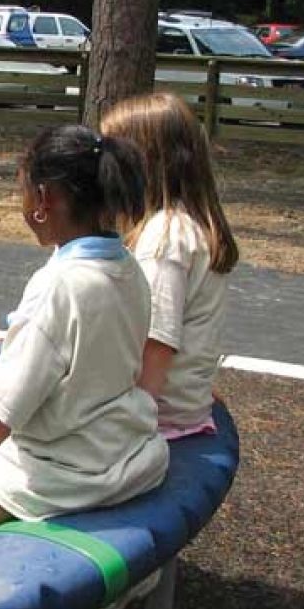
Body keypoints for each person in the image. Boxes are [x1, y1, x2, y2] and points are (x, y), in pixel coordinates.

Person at [0, 125, 169, 566]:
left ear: (43, 200)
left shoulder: (59, 285)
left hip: (66, 471)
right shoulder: (128, 268)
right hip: (127, 451)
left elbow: (12, 409)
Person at [100, 92, 239, 439]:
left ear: (144, 162)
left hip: (158, 415)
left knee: (25, 402)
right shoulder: (182, 225)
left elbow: (156, 342)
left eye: (110, 155)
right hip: (177, 403)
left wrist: (129, 427)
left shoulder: (165, 238)